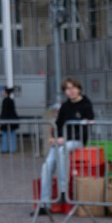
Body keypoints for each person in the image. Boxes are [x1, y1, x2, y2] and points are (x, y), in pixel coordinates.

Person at [38, 77, 95, 214]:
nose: (71, 91)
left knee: (63, 150)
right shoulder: (65, 106)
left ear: (79, 88)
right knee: (46, 166)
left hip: (77, 141)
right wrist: (54, 138)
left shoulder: (86, 105)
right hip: (61, 141)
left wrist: (64, 139)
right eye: (68, 89)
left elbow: (86, 127)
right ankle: (44, 205)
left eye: (73, 87)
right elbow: (57, 125)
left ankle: (63, 190)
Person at [0, 86, 20, 154]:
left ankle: (4, 148)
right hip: (12, 120)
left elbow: (4, 112)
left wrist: (3, 120)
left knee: (5, 134)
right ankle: (12, 148)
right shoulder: (11, 100)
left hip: (7, 120)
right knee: (12, 134)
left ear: (5, 92)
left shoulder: (5, 101)